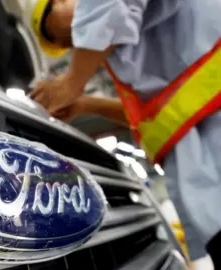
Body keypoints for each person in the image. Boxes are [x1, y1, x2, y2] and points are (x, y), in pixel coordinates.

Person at [23, 0, 221, 268]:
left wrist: (72, 81)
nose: (73, 43)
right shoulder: (141, 51)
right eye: (66, 44)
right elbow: (155, 118)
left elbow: (107, 7)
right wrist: (86, 104)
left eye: (55, 31)